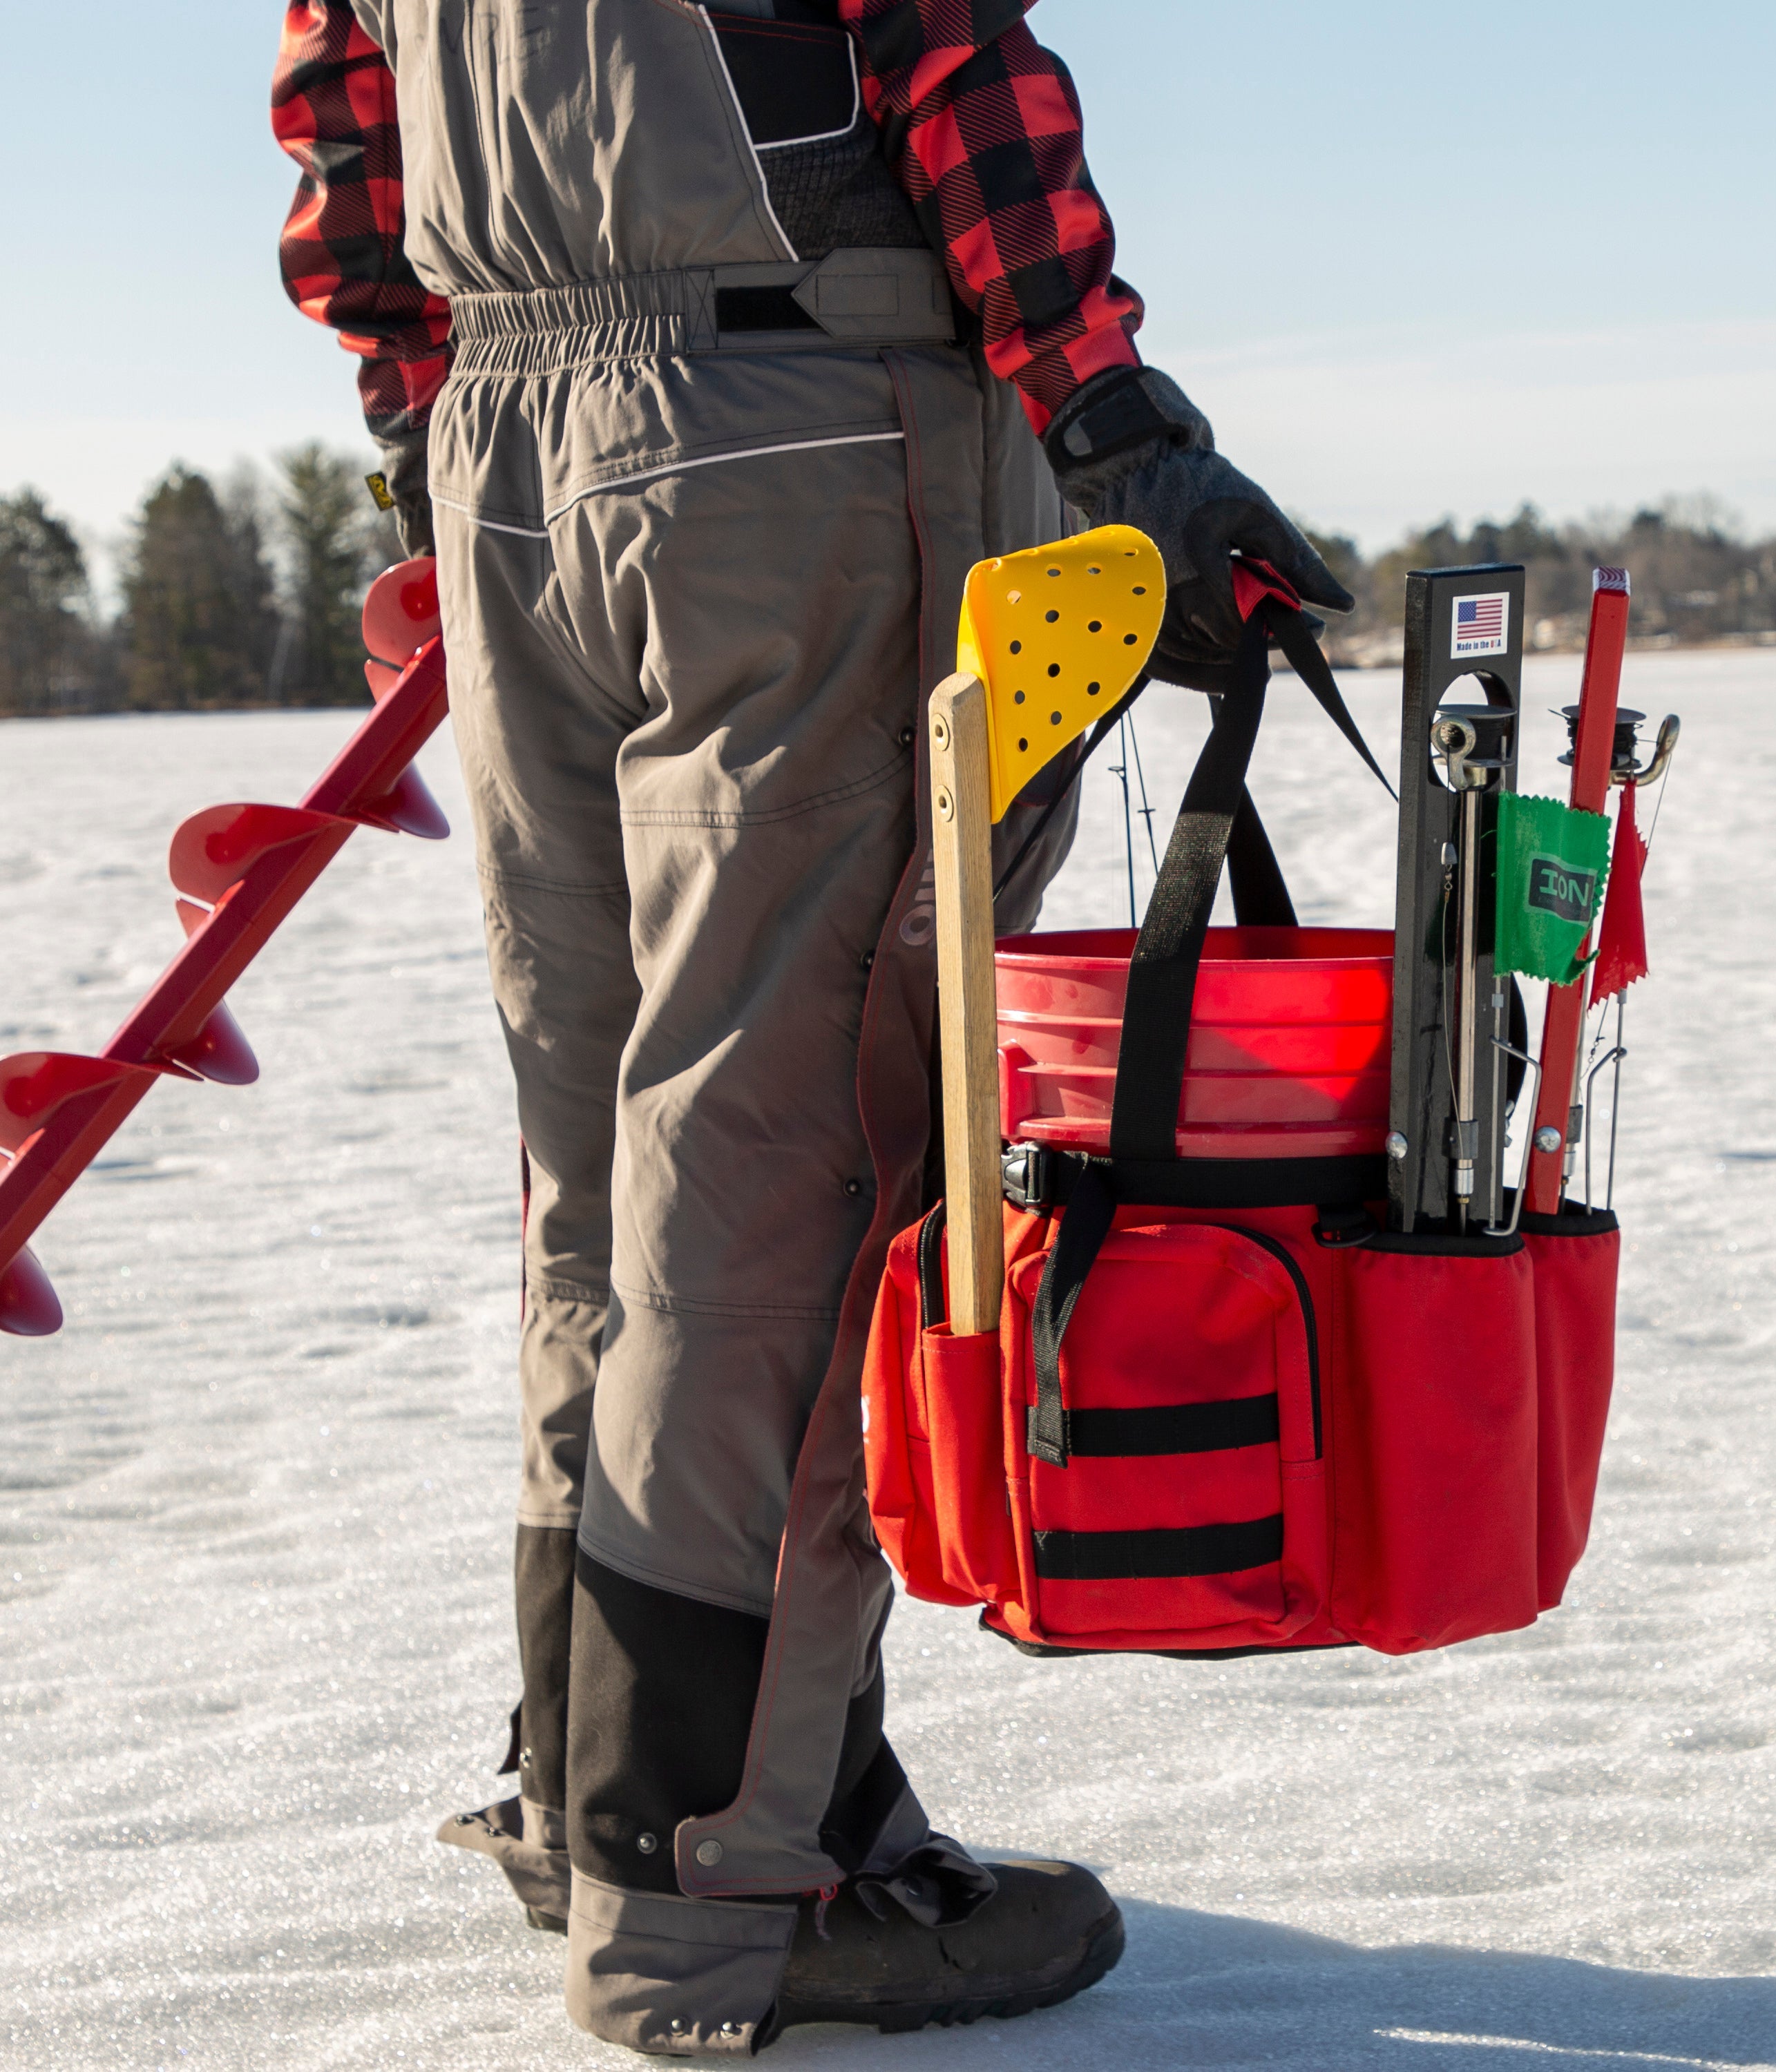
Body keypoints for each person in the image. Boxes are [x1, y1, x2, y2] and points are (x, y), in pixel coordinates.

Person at [271, 0, 1349, 2053]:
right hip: (801, 418)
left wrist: (422, 404)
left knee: (606, 1177)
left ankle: (592, 1792)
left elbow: (343, 106)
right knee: (789, 1178)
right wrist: (1109, 416)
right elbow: (948, 50)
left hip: (514, 453)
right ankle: (727, 1883)